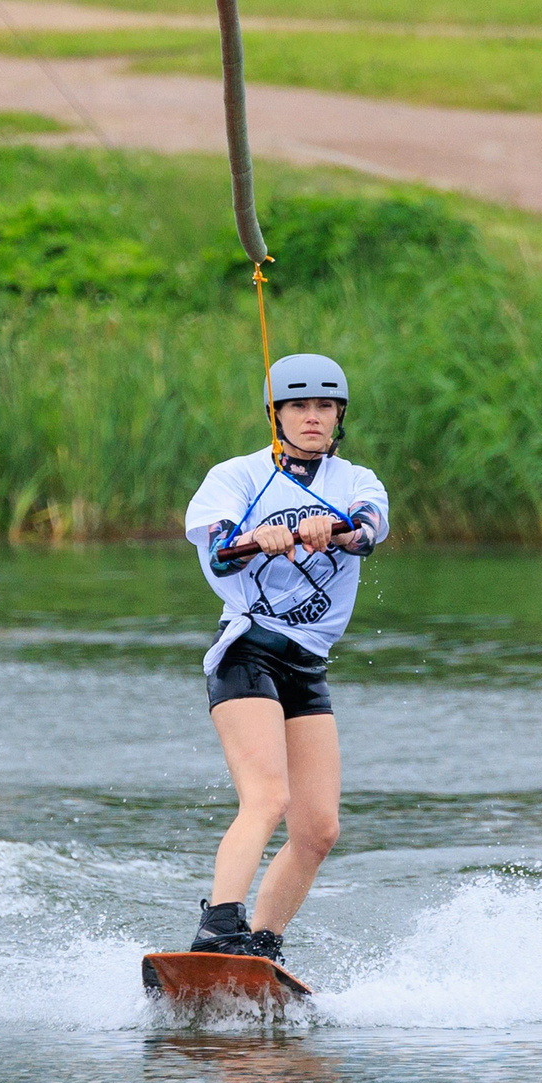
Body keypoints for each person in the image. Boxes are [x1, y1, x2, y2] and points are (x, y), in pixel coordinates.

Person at [182, 354, 391, 962]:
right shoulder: (236, 476)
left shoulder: (356, 480)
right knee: (268, 800)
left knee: (319, 830)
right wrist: (257, 538)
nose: (313, 417)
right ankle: (218, 927)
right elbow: (220, 553)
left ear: (339, 417)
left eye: (325, 406)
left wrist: (340, 529)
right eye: (299, 406)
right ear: (275, 414)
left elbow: (368, 532)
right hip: (246, 654)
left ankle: (264, 947)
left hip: (307, 667)